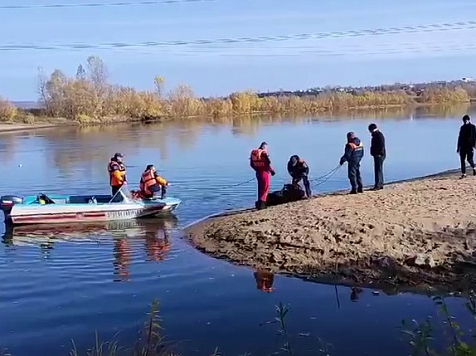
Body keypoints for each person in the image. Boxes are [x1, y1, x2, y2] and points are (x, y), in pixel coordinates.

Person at [250, 142, 275, 210]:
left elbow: (251, 164)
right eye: (267, 148)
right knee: (265, 188)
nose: (267, 150)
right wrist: (271, 171)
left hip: (258, 172)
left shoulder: (254, 153)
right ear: (264, 147)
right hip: (265, 173)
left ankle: (258, 203)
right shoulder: (264, 153)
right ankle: (262, 204)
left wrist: (257, 169)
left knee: (260, 188)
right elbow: (268, 163)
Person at [368, 123, 386, 190]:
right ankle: (380, 184)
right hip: (379, 154)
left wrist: (379, 153)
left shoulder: (378, 135)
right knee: (379, 169)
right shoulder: (377, 134)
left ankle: (378, 185)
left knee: (378, 170)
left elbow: (381, 145)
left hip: (379, 155)